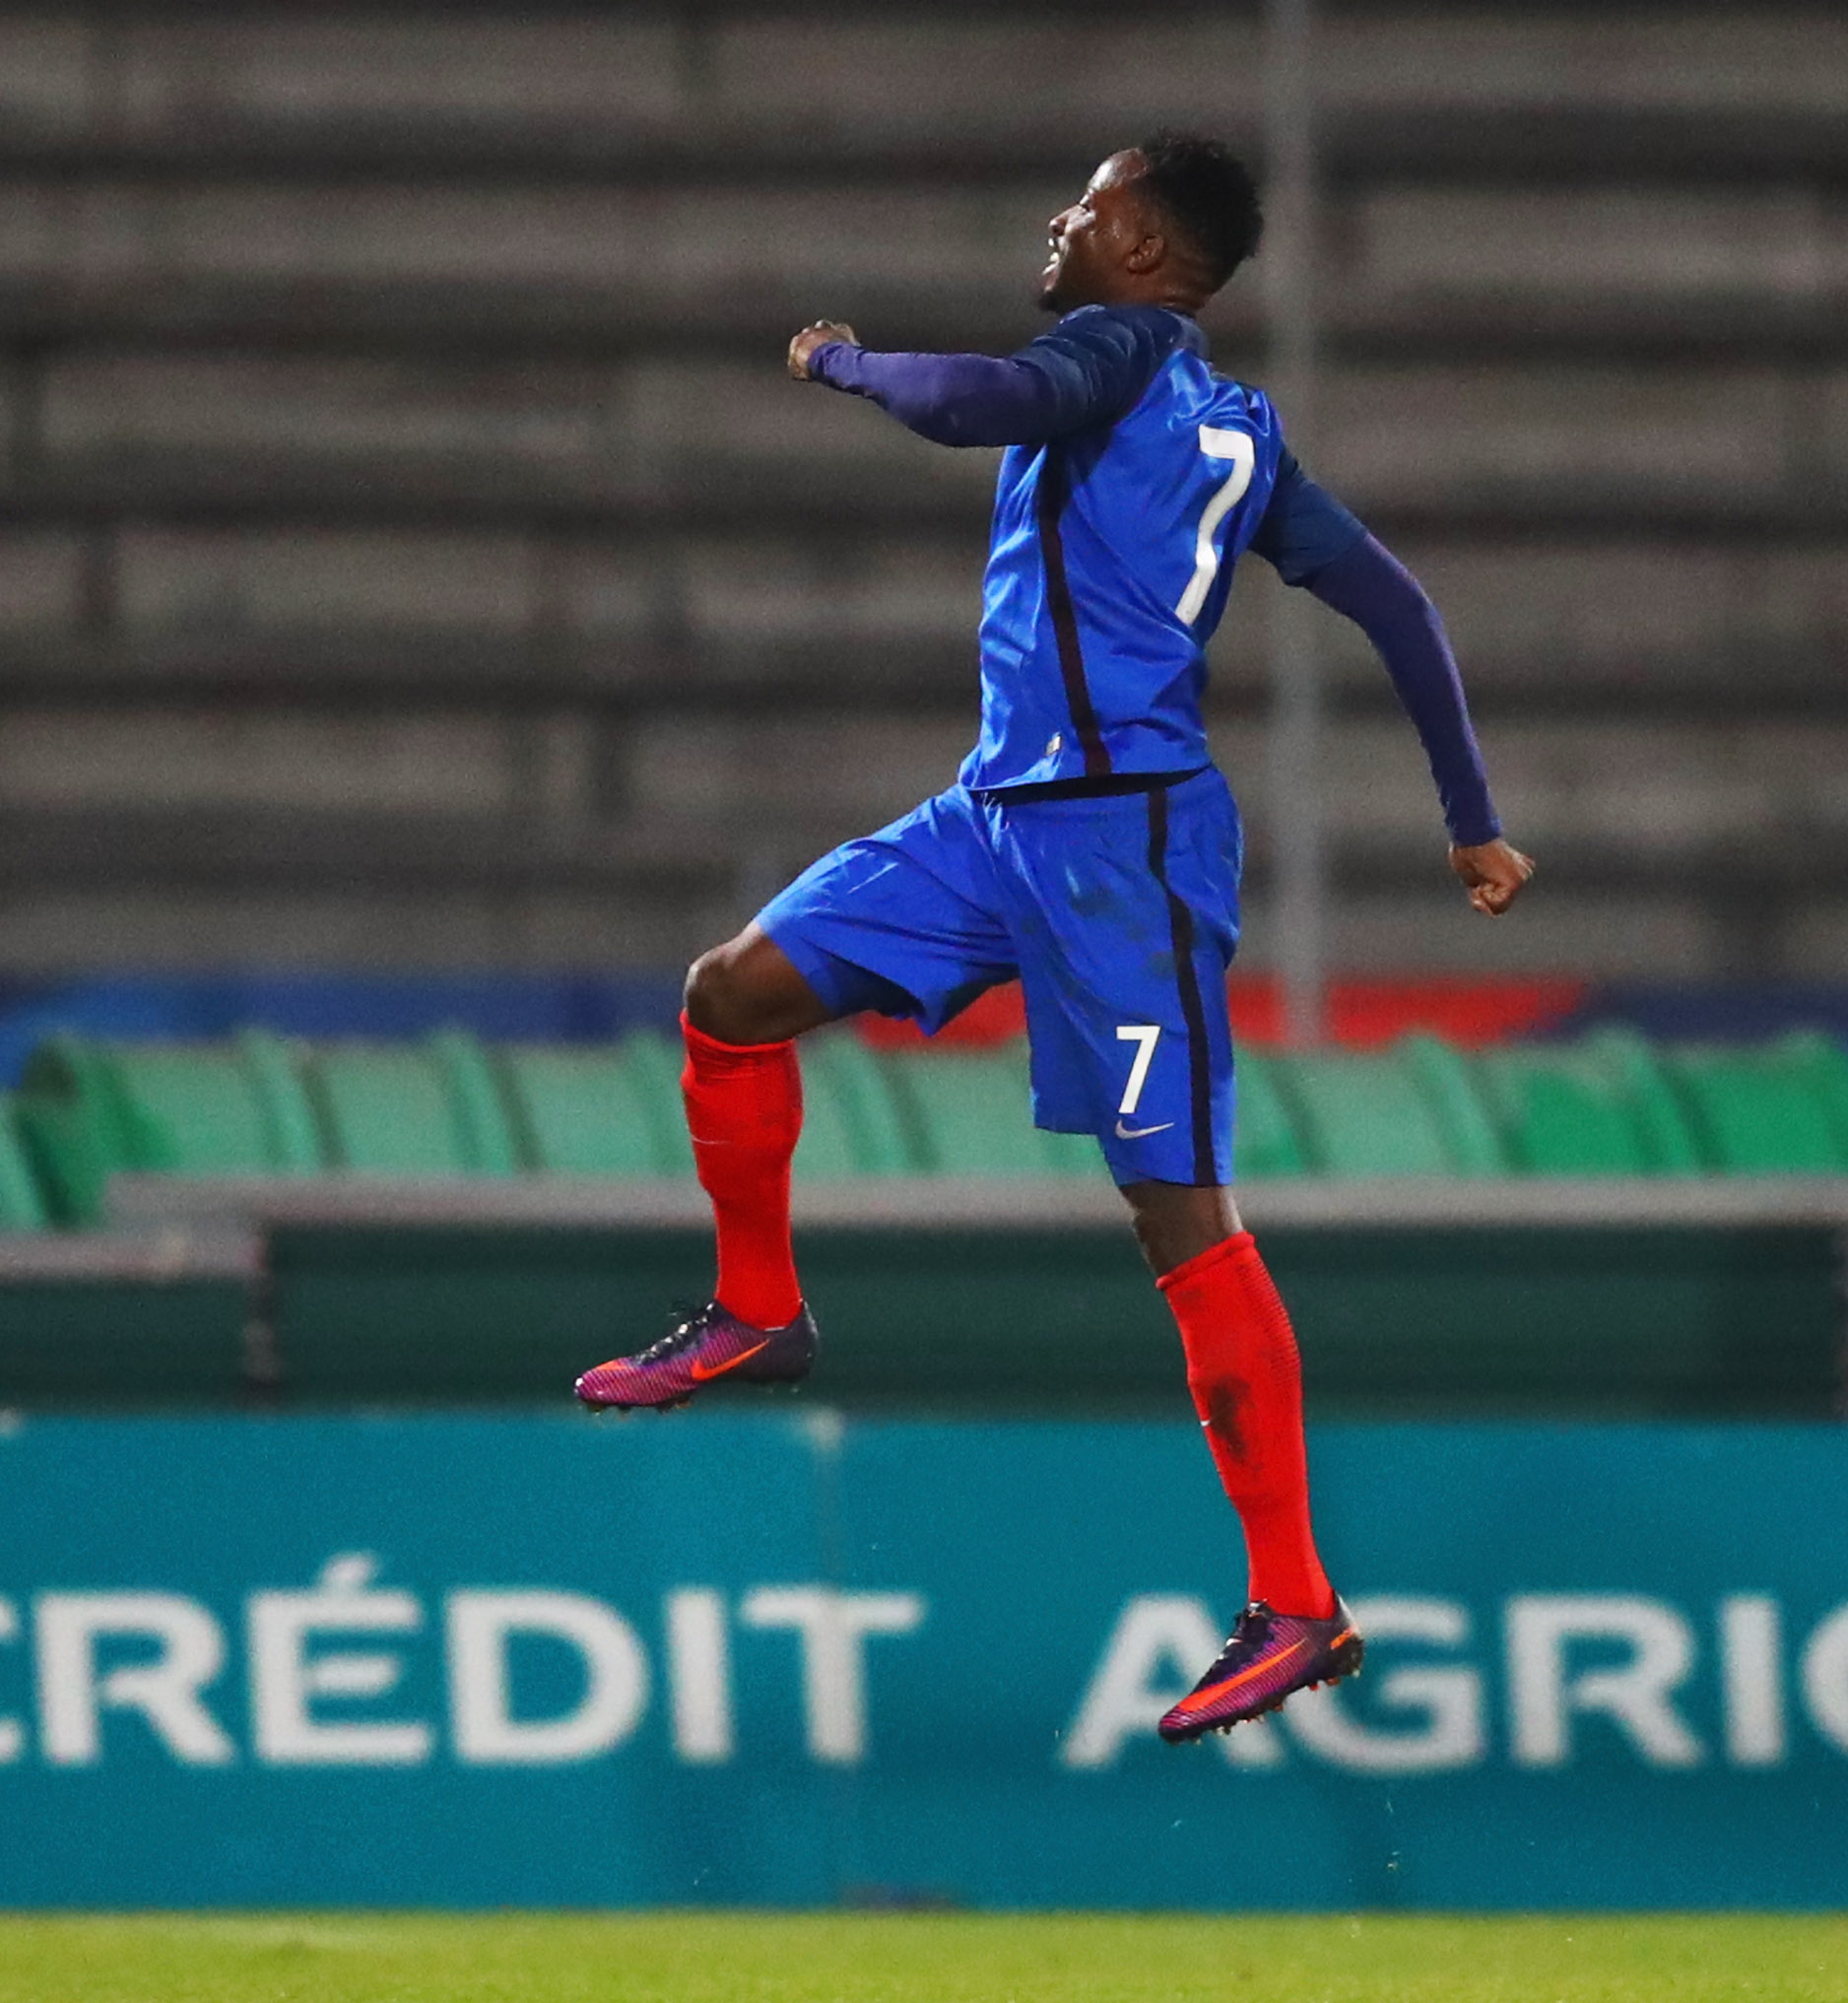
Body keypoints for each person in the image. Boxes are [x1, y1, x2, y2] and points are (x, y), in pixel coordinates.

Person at [571, 134, 1533, 1742]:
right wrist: (1470, 816)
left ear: (1148, 249)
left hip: (1122, 853)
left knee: (1180, 1216)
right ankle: (757, 1310)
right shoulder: (1240, 430)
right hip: (990, 818)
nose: (1060, 223)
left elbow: (967, 404)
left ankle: (1295, 1599)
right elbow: (1395, 605)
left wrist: (842, 360)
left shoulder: (1110, 352)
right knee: (730, 993)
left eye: (1087, 208)